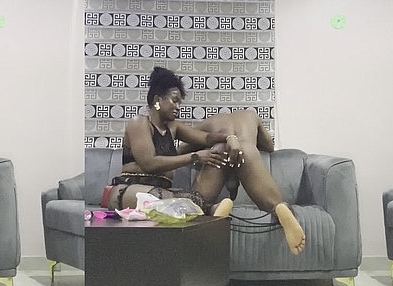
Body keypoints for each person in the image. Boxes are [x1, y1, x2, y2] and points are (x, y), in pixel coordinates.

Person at [108, 66, 240, 218]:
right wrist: (195, 156)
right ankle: (209, 210)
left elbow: (206, 138)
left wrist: (230, 138)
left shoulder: (173, 127)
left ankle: (204, 209)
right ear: (157, 100)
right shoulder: (139, 123)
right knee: (163, 199)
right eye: (174, 101)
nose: (178, 107)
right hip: (130, 190)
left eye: (180, 103)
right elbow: (149, 163)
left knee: (189, 198)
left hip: (162, 191)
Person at [180, 109, 306, 255]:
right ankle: (280, 208)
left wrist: (199, 152)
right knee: (274, 204)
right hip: (245, 150)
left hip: (218, 151)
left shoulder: (209, 122)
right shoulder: (251, 116)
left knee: (197, 204)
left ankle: (213, 209)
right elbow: (269, 146)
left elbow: (182, 148)